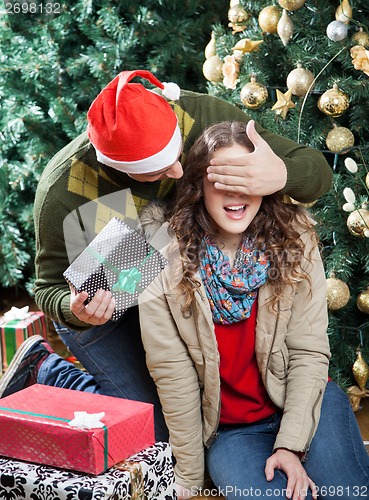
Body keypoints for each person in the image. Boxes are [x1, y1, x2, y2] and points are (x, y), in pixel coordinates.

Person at [0, 70, 332, 442]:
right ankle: (48, 370)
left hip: (172, 291)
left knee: (197, 416)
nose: (178, 171)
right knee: (152, 433)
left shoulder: (201, 117)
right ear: (119, 167)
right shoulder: (64, 193)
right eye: (158, 171)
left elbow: (318, 172)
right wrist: (75, 309)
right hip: (108, 307)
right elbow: (48, 289)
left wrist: (281, 172)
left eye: (177, 154)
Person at [138, 122, 369, 499]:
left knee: (348, 493)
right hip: (233, 432)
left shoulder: (297, 239)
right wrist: (191, 479)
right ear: (198, 185)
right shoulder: (163, 258)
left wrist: (290, 445)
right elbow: (173, 376)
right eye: (221, 179)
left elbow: (309, 352)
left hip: (307, 403)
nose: (235, 193)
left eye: (245, 178)